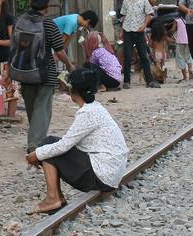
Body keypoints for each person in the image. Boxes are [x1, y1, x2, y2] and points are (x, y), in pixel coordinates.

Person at [25, 67, 129, 214]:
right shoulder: (96, 108)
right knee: (49, 143)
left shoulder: (87, 113)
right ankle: (57, 197)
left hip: (102, 176)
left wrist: (35, 155)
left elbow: (63, 146)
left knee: (47, 146)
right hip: (109, 173)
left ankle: (53, 198)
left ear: (74, 90)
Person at [12, 0, 74, 152]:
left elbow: (14, 45)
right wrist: (69, 65)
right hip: (45, 73)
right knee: (42, 108)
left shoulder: (19, 21)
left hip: (24, 72)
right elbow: (59, 51)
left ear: (31, 3)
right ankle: (35, 144)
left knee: (32, 107)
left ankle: (36, 138)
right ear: (47, 6)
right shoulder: (49, 24)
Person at [119, 0, 158, 89]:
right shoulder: (126, 0)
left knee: (144, 56)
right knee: (127, 56)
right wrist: (122, 31)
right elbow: (124, 16)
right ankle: (126, 81)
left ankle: (150, 81)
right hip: (128, 31)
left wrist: (144, 25)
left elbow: (149, 14)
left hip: (140, 31)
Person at [148, 18, 172, 84]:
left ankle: (159, 78)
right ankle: (161, 78)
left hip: (156, 53)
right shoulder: (164, 36)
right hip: (163, 53)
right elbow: (169, 41)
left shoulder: (152, 36)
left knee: (157, 68)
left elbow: (149, 44)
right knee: (161, 66)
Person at [173, 15, 193, 82]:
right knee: (188, 56)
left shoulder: (177, 20)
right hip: (189, 41)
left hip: (180, 41)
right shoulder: (190, 18)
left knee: (180, 57)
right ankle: (190, 69)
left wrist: (168, 32)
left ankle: (185, 77)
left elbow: (173, 29)